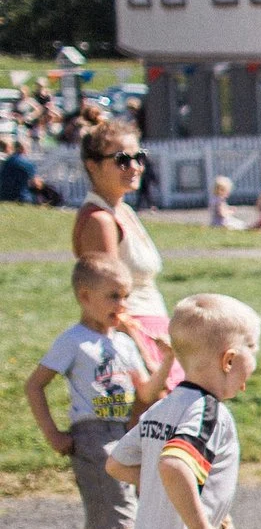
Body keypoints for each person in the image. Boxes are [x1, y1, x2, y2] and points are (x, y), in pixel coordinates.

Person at [25, 256, 173, 529]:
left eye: (125, 296)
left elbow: (147, 393)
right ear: (84, 296)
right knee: (125, 516)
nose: (121, 305)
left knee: (100, 520)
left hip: (122, 431)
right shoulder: (73, 341)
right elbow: (35, 386)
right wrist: (53, 434)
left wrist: (166, 360)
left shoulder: (123, 342)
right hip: (92, 436)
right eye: (112, 296)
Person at [107, 293, 260, 529]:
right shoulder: (208, 413)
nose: (256, 365)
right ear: (229, 360)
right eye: (253, 349)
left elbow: (117, 464)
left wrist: (160, 479)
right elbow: (175, 465)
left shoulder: (162, 407)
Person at [71, 116, 176, 378]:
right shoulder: (100, 221)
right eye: (121, 160)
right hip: (130, 341)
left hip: (154, 331)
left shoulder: (124, 210)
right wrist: (147, 362)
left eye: (138, 157)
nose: (134, 167)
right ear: (92, 166)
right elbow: (110, 303)